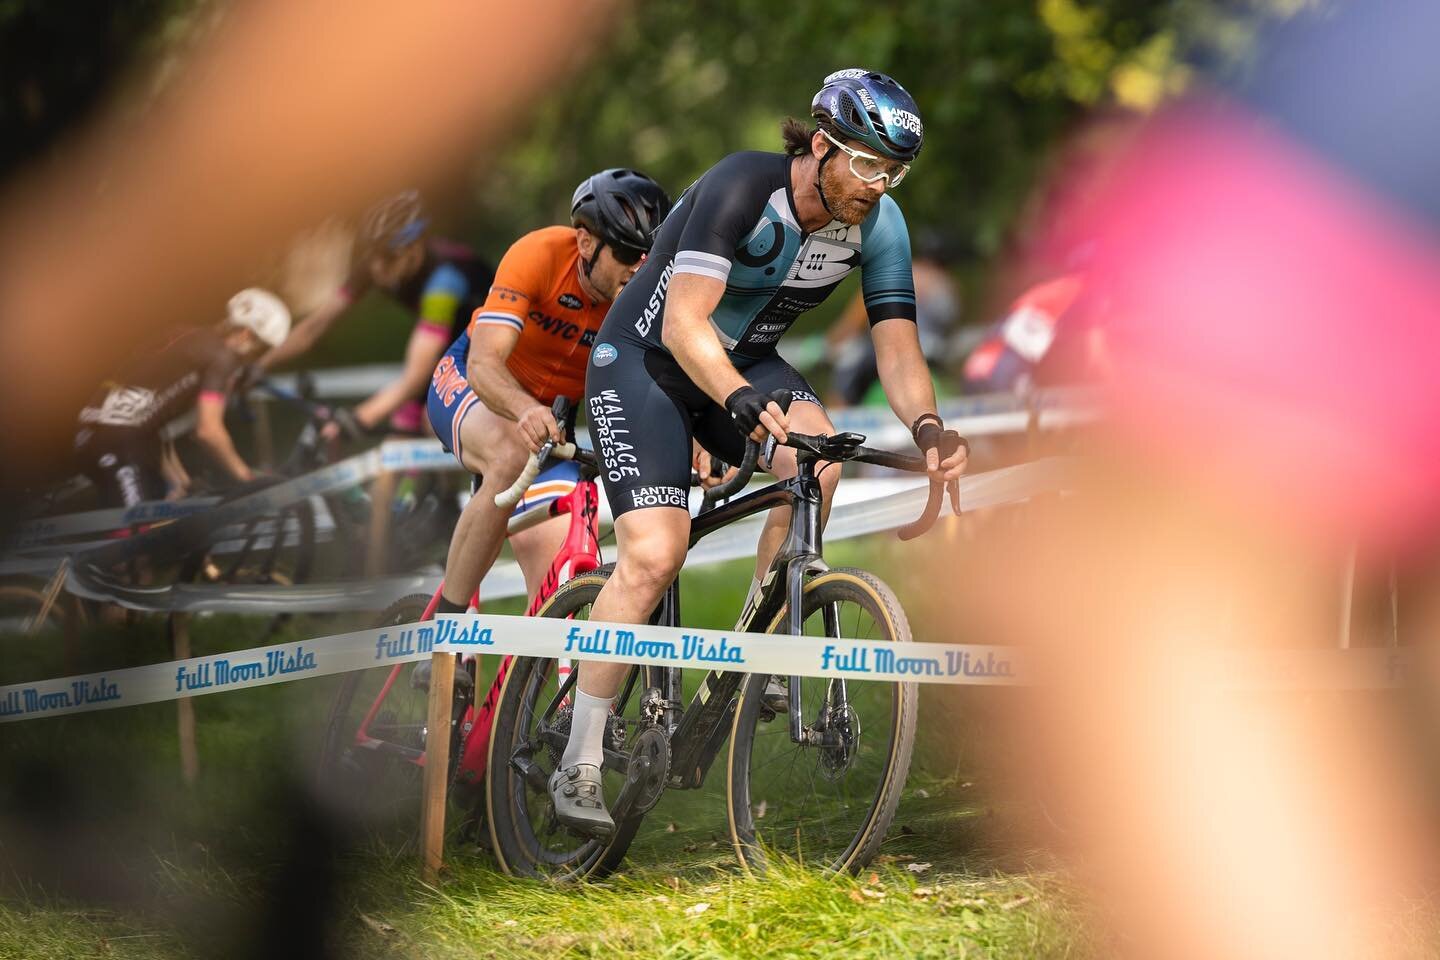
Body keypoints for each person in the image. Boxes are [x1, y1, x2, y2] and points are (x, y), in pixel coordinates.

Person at [557, 69, 968, 836]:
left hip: (743, 359)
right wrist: (737, 397)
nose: (879, 186)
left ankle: (763, 645)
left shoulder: (881, 226)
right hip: (647, 359)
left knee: (821, 459)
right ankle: (577, 757)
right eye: (868, 165)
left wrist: (930, 430)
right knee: (654, 553)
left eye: (895, 172)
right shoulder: (744, 187)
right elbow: (684, 325)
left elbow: (900, 351)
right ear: (822, 146)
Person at [423, 169, 670, 631]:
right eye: (625, 252)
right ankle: (447, 624)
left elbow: (653, 380)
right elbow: (484, 364)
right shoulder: (540, 254)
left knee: (555, 577)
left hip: (553, 419)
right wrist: (524, 409)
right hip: (475, 383)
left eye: (647, 256)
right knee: (509, 452)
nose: (639, 266)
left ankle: (535, 690)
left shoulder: (644, 293)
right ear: (585, 242)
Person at [258, 190, 496, 439]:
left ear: (414, 249)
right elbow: (314, 326)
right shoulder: (376, 265)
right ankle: (426, 476)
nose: (377, 268)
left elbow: (415, 376)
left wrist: (359, 418)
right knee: (398, 437)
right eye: (371, 254)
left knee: (434, 422)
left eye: (387, 256)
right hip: (448, 344)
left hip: (490, 346)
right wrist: (258, 365)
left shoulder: (444, 281)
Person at [73, 289, 292, 507]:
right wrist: (248, 478)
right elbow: (208, 431)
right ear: (246, 335)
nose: (252, 359)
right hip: (117, 445)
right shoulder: (223, 357)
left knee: (159, 517)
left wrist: (181, 483)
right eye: (260, 350)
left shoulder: (184, 335)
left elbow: (148, 428)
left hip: (96, 436)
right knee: (137, 530)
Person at [826, 229, 964, 407]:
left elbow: (854, 319)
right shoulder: (951, 286)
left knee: (846, 375)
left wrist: (833, 341)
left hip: (893, 351)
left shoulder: (894, 272)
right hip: (935, 355)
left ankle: (834, 426)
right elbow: (951, 328)